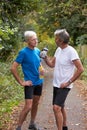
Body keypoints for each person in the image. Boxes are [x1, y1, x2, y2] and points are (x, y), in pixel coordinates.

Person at [42, 29, 84, 130]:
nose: (55, 39)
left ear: (60, 40)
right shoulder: (58, 50)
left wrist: (68, 82)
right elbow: (52, 65)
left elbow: (80, 69)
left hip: (65, 85)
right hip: (56, 84)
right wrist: (45, 58)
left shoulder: (71, 52)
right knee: (61, 107)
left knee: (56, 108)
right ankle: (64, 126)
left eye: (56, 38)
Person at [11, 31, 44, 130]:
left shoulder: (37, 51)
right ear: (27, 41)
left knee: (36, 103)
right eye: (33, 39)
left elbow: (38, 63)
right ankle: (19, 127)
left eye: (36, 39)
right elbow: (13, 68)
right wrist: (21, 82)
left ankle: (32, 124)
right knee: (28, 106)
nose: (36, 41)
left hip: (39, 82)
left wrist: (41, 69)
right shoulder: (23, 52)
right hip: (29, 83)